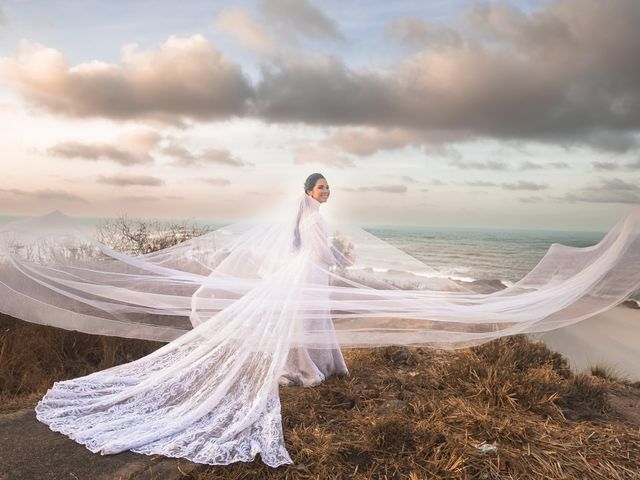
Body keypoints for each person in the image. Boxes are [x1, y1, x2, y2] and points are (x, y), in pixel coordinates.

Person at [1, 173, 639, 467]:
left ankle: (314, 365)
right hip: (304, 277)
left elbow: (311, 249)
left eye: (330, 189)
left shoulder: (302, 217)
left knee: (310, 328)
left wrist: (333, 255)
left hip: (302, 274)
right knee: (301, 327)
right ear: (310, 192)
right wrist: (340, 256)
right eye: (322, 188)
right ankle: (303, 368)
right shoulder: (309, 217)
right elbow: (319, 250)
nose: (327, 194)